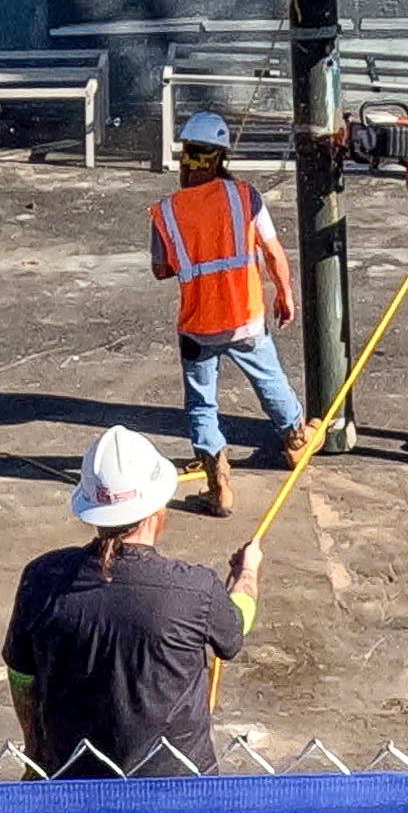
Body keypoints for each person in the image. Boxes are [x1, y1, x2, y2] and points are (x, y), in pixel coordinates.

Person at [3, 428, 263, 780]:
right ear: (158, 506)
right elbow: (235, 628)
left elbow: (21, 675)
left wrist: (35, 754)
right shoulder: (194, 590)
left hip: (73, 780)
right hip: (177, 789)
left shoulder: (42, 580)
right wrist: (247, 574)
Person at [148, 112, 304, 517]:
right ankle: (295, 443)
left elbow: (161, 269)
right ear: (220, 156)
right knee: (271, 382)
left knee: (202, 405)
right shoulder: (246, 197)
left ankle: (219, 486)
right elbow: (272, 250)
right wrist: (285, 292)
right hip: (245, 317)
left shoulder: (167, 211)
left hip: (199, 325)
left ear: (189, 156)